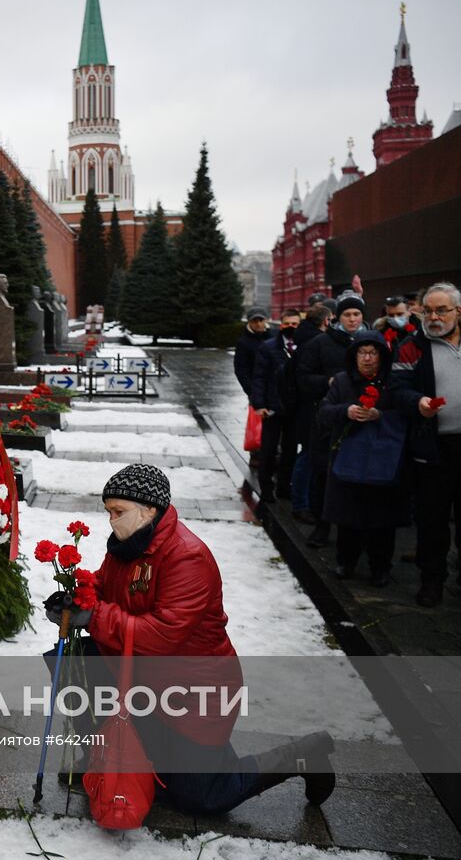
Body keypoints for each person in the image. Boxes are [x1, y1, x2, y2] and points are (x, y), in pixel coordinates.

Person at [44, 465, 334, 816]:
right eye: (108, 512)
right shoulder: (127, 546)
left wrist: (95, 616)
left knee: (200, 798)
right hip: (143, 676)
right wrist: (76, 601)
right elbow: (105, 587)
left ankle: (303, 755)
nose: (111, 521)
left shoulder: (186, 555)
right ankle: (106, 757)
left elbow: (164, 634)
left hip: (192, 689)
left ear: (149, 509)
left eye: (117, 512)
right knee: (81, 663)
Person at [390, 282, 461, 607]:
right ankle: (432, 581)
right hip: (434, 446)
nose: (433, 316)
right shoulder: (412, 346)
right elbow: (397, 390)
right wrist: (418, 402)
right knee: (433, 518)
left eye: (441, 310)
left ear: (459, 310)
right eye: (427, 310)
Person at [319, 331, 410, 586]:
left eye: (373, 353)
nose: (367, 359)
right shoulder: (341, 381)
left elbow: (405, 415)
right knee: (348, 517)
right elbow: (324, 412)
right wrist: (345, 411)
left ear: (383, 356)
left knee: (382, 520)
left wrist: (380, 416)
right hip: (348, 459)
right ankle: (346, 561)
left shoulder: (394, 382)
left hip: (384, 460)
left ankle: (380, 567)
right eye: (362, 352)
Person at [297, 294, 367, 546]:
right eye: (347, 314)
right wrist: (325, 382)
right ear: (338, 317)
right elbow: (303, 377)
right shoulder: (321, 343)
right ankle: (321, 526)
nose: (352, 319)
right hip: (328, 419)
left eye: (356, 314)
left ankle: (354, 532)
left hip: (362, 420)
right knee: (322, 475)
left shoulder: (370, 342)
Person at [286, 304, 332, 523]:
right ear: (326, 321)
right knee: (308, 456)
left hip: (305, 408)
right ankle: (301, 504)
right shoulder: (315, 343)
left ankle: (302, 502)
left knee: (308, 454)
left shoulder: (304, 339)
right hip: (309, 408)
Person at [249, 309, 301, 502]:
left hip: (294, 408)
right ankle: (266, 487)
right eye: (287, 323)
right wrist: (259, 403)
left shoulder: (303, 346)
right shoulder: (268, 346)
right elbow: (260, 377)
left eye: (294, 324)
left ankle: (284, 486)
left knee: (290, 450)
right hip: (272, 407)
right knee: (269, 450)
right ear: (281, 324)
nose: (290, 327)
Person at [233, 306, 273, 400]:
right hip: (256, 390)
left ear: (265, 320)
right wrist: (251, 391)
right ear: (249, 322)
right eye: (254, 321)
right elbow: (241, 370)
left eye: (261, 320)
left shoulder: (274, 337)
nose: (258, 324)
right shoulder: (243, 342)